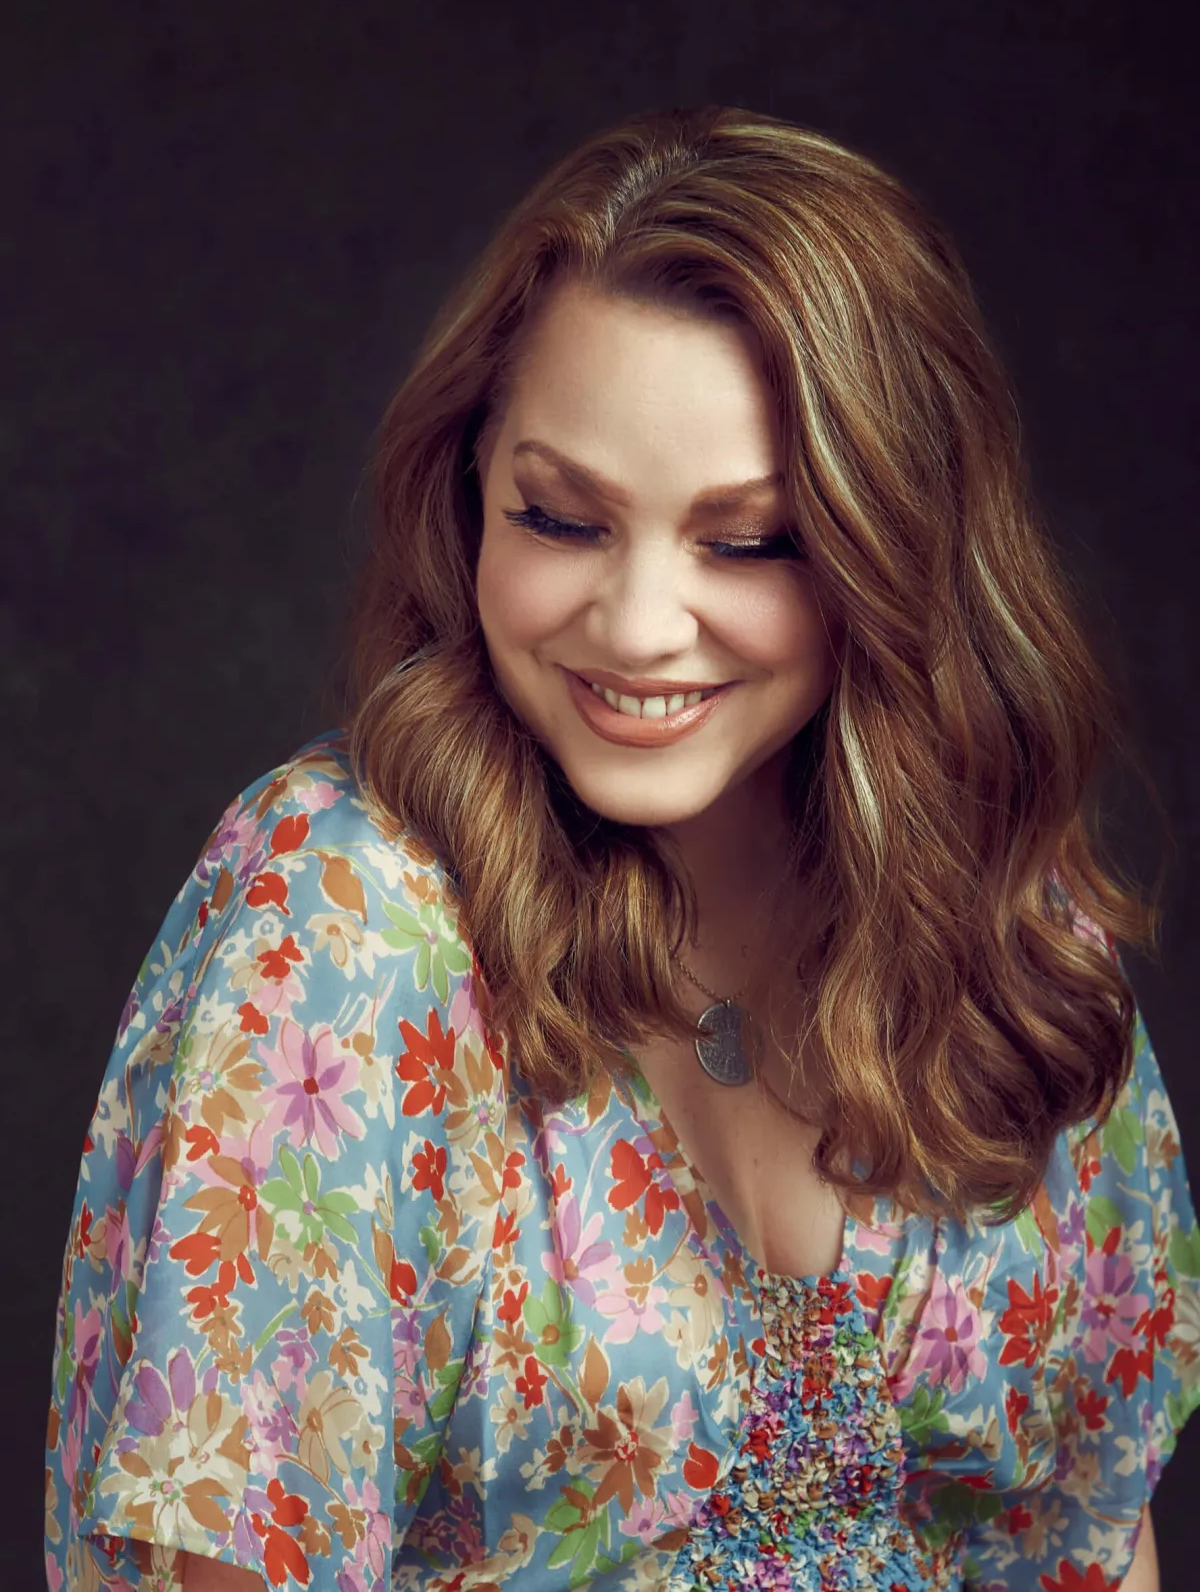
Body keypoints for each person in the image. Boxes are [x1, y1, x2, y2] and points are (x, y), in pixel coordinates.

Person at [45, 105, 1198, 1592]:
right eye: (563, 520)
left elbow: (1091, 1539)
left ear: (896, 546)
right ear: (471, 496)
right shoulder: (337, 925)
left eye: (748, 540)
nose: (640, 626)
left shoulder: (999, 908)